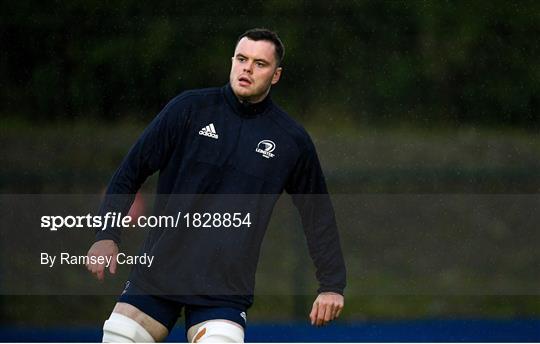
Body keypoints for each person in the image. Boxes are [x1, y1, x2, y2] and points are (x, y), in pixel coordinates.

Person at [86, 28, 346, 343]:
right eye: (241, 59)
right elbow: (130, 171)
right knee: (119, 335)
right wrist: (107, 235)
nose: (247, 68)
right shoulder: (189, 109)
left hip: (223, 289)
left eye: (259, 64)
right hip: (159, 273)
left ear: (276, 75)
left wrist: (331, 285)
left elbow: (317, 215)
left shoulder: (291, 141)